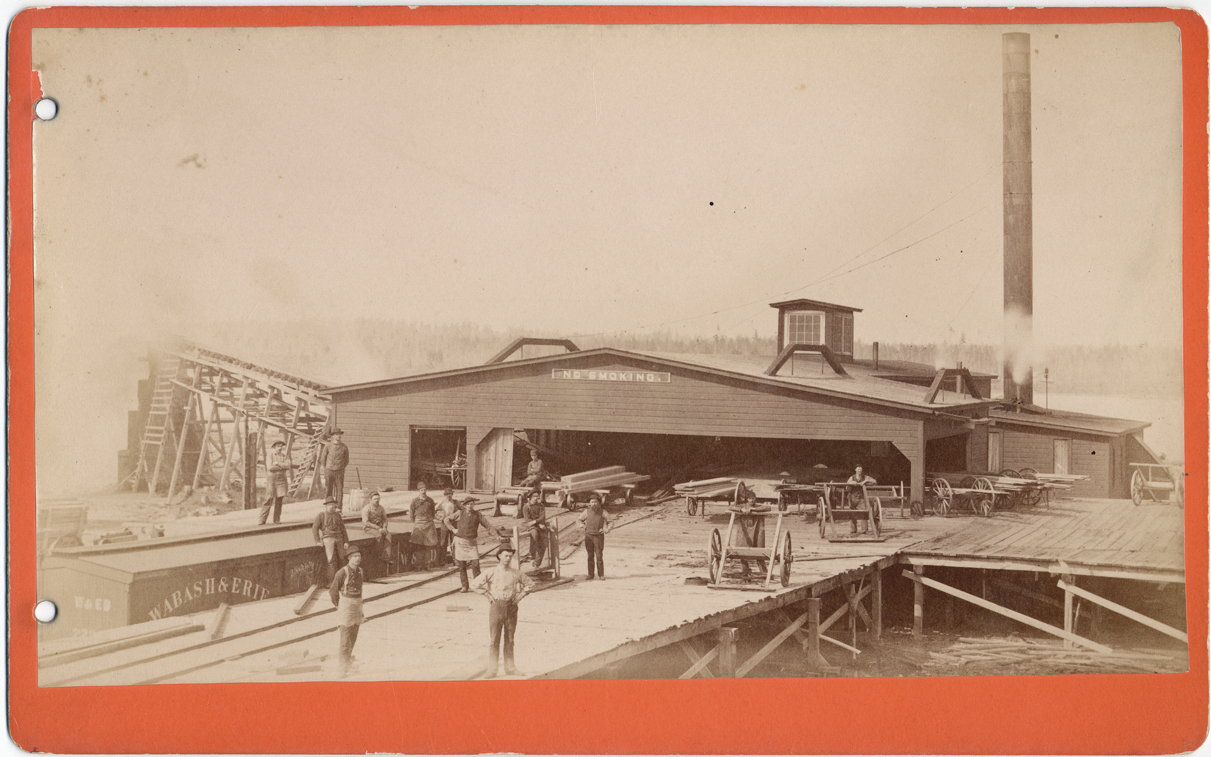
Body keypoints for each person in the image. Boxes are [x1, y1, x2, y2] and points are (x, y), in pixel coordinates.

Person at [470, 544, 534, 679]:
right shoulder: (491, 571)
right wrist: (487, 594)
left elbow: (530, 584)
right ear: (499, 556)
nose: (508, 558)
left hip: (511, 607)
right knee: (494, 639)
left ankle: (510, 668)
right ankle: (492, 670)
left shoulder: (515, 573)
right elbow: (474, 584)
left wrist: (521, 595)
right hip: (496, 607)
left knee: (510, 639)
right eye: (505, 555)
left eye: (510, 556)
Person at [444, 497, 505, 592]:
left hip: (472, 543)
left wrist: (496, 536)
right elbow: (446, 520)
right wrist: (453, 529)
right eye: (468, 504)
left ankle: (477, 585)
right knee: (462, 566)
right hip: (460, 542)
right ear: (464, 505)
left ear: (474, 505)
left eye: (472, 504)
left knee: (475, 564)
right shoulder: (460, 513)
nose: (470, 506)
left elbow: (488, 525)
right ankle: (464, 586)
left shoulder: (478, 515)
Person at [329, 544, 365, 678]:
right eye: (355, 556)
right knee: (344, 640)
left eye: (359, 556)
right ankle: (341, 669)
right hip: (346, 606)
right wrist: (339, 606)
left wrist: (360, 610)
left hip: (357, 605)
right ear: (349, 558)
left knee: (353, 638)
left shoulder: (360, 571)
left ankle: (348, 663)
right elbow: (333, 591)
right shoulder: (342, 572)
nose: (357, 559)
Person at [313, 496, 349, 582]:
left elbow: (343, 529)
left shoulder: (338, 516)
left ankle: (343, 579)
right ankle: (332, 581)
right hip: (328, 539)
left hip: (339, 538)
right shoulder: (321, 515)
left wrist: (346, 541)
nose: (332, 507)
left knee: (343, 558)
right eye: (330, 505)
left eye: (333, 505)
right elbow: (314, 528)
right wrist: (317, 541)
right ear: (326, 506)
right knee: (331, 560)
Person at [576, 493, 612, 580]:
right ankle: (590, 574)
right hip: (589, 536)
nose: (594, 504)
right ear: (589, 503)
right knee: (590, 556)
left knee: (599, 556)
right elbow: (578, 520)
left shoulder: (603, 512)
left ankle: (601, 575)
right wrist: (582, 525)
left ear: (599, 503)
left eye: (595, 502)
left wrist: (607, 529)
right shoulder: (586, 512)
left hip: (598, 537)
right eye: (592, 502)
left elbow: (610, 521)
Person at [258, 439, 293, 525]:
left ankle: (276, 519)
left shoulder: (285, 456)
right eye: (278, 446)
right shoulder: (270, 456)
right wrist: (282, 466)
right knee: (269, 498)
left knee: (279, 499)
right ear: (274, 447)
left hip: (282, 480)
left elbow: (288, 466)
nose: (280, 448)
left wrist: (278, 464)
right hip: (272, 480)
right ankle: (262, 519)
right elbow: (270, 467)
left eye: (281, 446)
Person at [516, 485, 550, 567]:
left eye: (537, 497)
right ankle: (532, 553)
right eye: (534, 496)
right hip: (532, 527)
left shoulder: (541, 506)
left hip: (539, 525)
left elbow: (542, 517)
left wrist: (536, 521)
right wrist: (537, 523)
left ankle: (536, 563)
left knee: (544, 542)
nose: (536, 498)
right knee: (535, 534)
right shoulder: (526, 507)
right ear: (530, 497)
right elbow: (528, 520)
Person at [409, 481, 439, 569]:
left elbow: (433, 512)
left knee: (428, 545)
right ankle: (418, 565)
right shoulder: (414, 501)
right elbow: (411, 514)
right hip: (418, 523)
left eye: (425, 489)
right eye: (421, 490)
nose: (423, 491)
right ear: (419, 491)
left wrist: (429, 520)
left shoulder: (430, 500)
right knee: (418, 545)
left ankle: (427, 564)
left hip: (429, 524)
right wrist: (417, 522)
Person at [361, 489, 393, 565]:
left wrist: (385, 527)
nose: (377, 501)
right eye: (375, 499)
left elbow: (385, 519)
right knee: (379, 536)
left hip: (380, 528)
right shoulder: (366, 509)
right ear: (370, 500)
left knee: (388, 536)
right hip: (369, 528)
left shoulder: (381, 508)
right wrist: (378, 528)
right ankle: (378, 555)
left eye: (378, 499)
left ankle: (386, 557)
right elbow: (365, 522)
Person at [846, 465, 878, 533]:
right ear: (855, 470)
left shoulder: (865, 477)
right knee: (852, 512)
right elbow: (847, 486)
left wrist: (865, 481)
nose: (859, 471)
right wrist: (851, 483)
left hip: (861, 497)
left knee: (864, 512)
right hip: (852, 497)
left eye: (861, 469)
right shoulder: (852, 477)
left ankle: (864, 529)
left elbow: (874, 481)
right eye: (858, 469)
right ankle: (853, 529)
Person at [324, 429, 350, 510]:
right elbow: (323, 458)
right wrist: (327, 468)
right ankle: (329, 507)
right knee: (328, 489)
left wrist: (341, 467)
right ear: (333, 436)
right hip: (329, 471)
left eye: (339, 434)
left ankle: (339, 508)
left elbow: (346, 460)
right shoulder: (328, 446)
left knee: (339, 490)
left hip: (339, 471)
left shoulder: (344, 447)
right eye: (336, 434)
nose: (338, 436)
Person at [434, 487, 459, 565]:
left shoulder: (455, 502)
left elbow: (462, 509)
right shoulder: (442, 502)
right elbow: (432, 510)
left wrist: (457, 516)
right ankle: (443, 560)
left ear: (452, 494)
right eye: (447, 494)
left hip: (453, 523)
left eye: (450, 494)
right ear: (444, 495)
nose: (449, 496)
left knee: (454, 542)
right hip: (444, 524)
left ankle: (455, 559)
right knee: (443, 542)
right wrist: (438, 517)